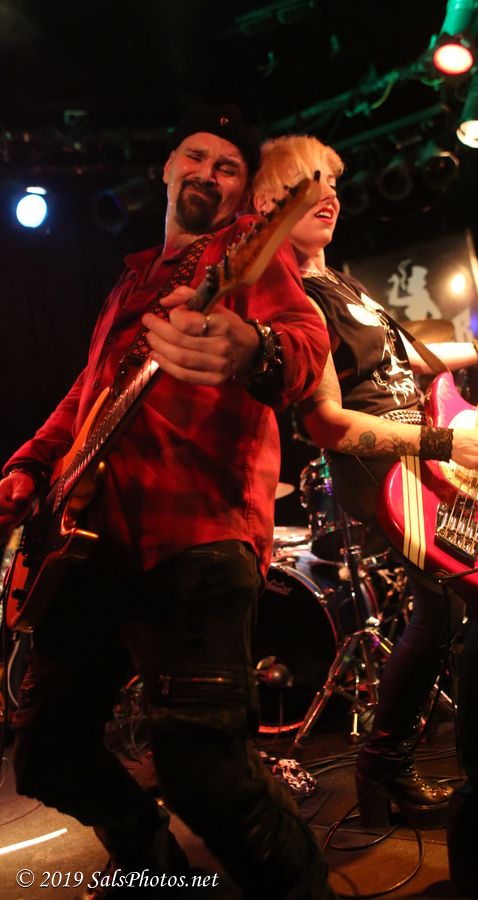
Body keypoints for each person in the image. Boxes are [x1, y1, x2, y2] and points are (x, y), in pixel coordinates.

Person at [0, 106, 339, 900]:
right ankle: (154, 874)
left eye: (228, 168)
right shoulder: (131, 280)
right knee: (46, 755)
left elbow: (304, 337)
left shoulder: (245, 256)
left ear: (244, 193)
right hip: (88, 547)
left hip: (197, 539)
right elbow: (86, 396)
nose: (209, 174)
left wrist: (255, 348)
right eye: (196, 156)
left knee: (204, 774)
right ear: (167, 168)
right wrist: (29, 467)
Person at [252, 135, 478, 899]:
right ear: (268, 204)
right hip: (388, 466)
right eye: (308, 183)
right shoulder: (289, 295)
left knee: (438, 611)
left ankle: (385, 768)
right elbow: (329, 423)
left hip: (422, 450)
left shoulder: (337, 279)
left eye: (333, 180)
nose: (330, 193)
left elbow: (413, 360)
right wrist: (442, 441)